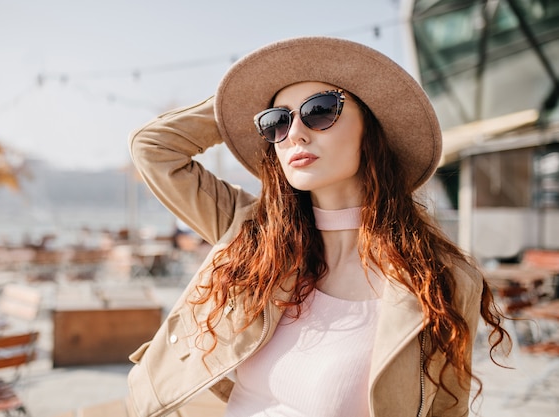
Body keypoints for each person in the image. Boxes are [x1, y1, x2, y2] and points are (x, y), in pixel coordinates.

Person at [127, 37, 509, 417]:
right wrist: (242, 98)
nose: (295, 133)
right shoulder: (254, 237)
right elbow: (153, 148)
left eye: (320, 110)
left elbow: (447, 410)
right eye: (277, 121)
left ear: (372, 129)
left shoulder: (440, 279)